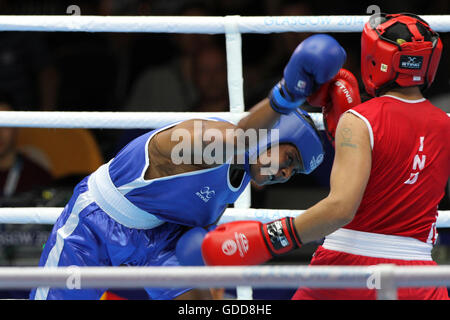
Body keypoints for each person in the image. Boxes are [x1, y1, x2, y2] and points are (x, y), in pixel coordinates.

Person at [29, 33, 346, 300]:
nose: (285, 173)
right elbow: (240, 139)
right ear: (272, 136)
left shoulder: (240, 174)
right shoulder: (206, 137)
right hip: (98, 222)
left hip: (163, 237)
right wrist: (286, 96)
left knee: (201, 301)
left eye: (293, 172)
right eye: (288, 159)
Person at [201, 13, 450, 300]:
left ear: (375, 57)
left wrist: (270, 239)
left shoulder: (360, 120)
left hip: (348, 269)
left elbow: (341, 208)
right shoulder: (444, 125)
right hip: (418, 276)